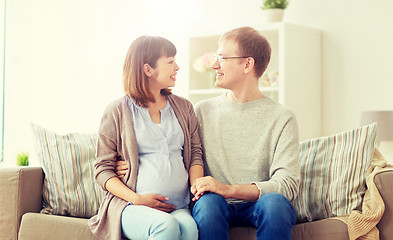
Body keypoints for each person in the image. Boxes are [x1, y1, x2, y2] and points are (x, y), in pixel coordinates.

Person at [116, 26, 300, 240]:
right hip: (213, 202)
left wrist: (229, 189)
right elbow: (170, 149)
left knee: (276, 203)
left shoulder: (282, 117)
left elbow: (287, 184)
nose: (214, 65)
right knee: (208, 204)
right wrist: (129, 160)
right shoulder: (200, 111)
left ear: (247, 64)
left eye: (222, 58)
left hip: (260, 204)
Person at [88, 35, 204, 240]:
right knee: (165, 226)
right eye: (170, 62)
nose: (177, 67)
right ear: (148, 69)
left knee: (189, 229)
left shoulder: (184, 107)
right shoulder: (117, 111)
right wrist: (137, 199)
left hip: (179, 206)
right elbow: (102, 170)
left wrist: (197, 187)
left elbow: (195, 153)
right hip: (132, 205)